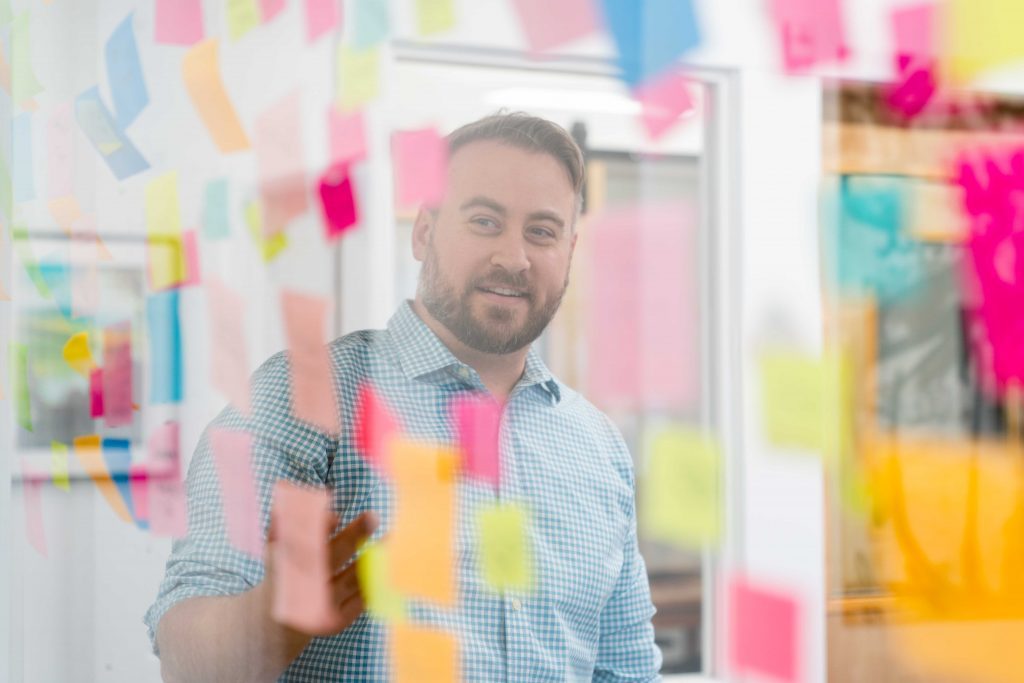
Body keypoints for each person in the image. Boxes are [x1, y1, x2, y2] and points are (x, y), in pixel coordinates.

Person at [145, 112, 662, 682]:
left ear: (569, 249)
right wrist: (268, 622)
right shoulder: (301, 399)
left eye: (542, 230)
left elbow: (626, 671)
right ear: (424, 232)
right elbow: (184, 662)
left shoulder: (599, 447)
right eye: (485, 221)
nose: (514, 257)